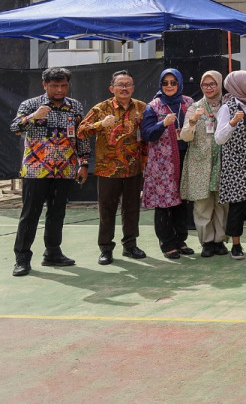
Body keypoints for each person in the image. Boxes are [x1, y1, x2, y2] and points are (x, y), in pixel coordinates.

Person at [10, 67, 90, 277]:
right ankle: (22, 258)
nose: (59, 90)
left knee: (57, 214)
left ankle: (53, 252)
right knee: (30, 214)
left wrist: (83, 163)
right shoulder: (30, 105)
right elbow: (15, 128)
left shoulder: (75, 107)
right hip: (36, 171)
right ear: (44, 85)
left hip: (64, 170)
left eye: (64, 85)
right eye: (55, 85)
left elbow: (81, 137)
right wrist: (34, 117)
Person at [78, 70, 148, 265]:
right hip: (108, 168)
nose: (124, 88)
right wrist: (100, 124)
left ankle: (130, 245)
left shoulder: (142, 107)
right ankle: (106, 248)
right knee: (107, 209)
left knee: (132, 208)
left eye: (128, 84)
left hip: (133, 168)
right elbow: (81, 132)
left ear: (133, 87)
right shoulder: (101, 108)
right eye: (120, 84)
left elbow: (148, 134)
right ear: (112, 88)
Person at [140, 68, 194, 259]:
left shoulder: (188, 103)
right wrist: (162, 124)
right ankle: (167, 243)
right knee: (164, 203)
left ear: (179, 83)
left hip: (185, 158)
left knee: (182, 201)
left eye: (173, 82)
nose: (169, 86)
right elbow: (146, 134)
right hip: (162, 163)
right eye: (165, 83)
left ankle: (180, 240)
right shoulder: (153, 106)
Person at [215, 70, 246, 260]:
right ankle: (236, 245)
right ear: (237, 85)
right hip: (235, 165)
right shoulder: (227, 108)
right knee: (237, 206)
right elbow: (219, 139)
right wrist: (232, 123)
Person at [179, 70, 228, 258]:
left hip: (223, 161)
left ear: (219, 84)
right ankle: (207, 242)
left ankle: (220, 240)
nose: (208, 88)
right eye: (205, 85)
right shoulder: (195, 107)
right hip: (200, 162)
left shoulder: (228, 105)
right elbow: (184, 136)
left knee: (222, 203)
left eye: (212, 84)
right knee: (202, 204)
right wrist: (192, 122)